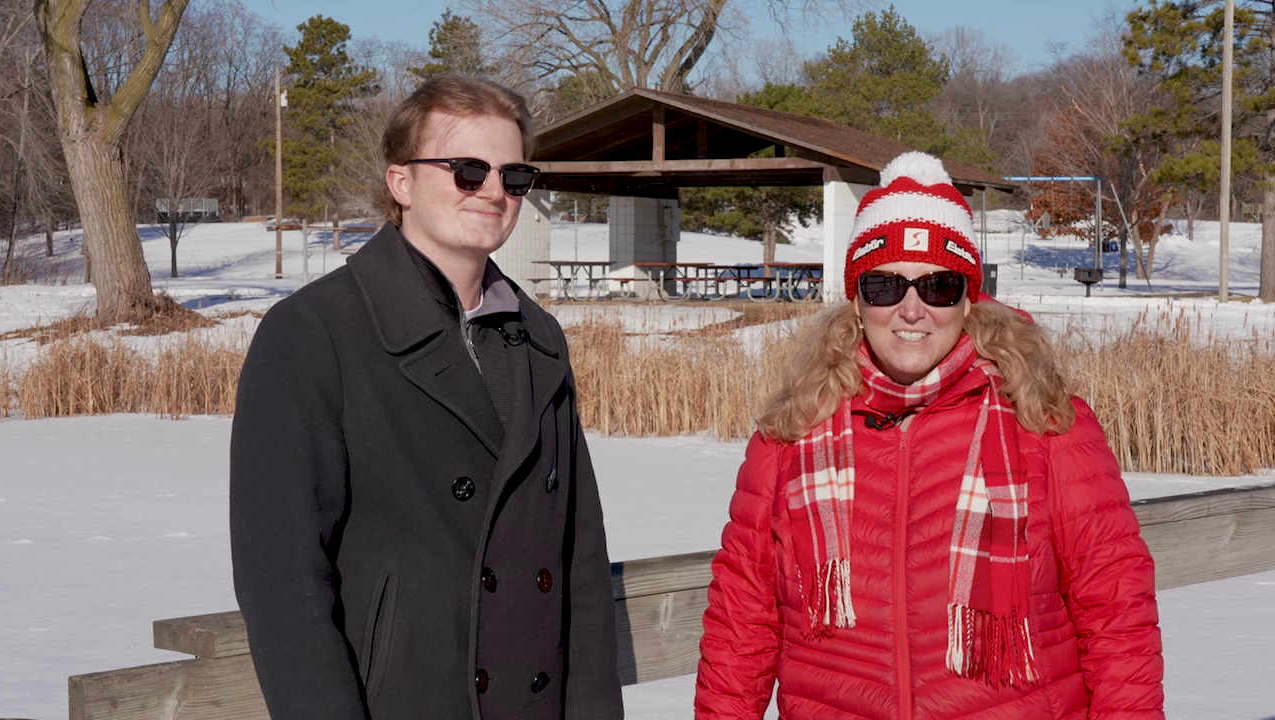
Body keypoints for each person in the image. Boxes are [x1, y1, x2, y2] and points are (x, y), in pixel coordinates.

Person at [694, 152, 1163, 719]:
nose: (911, 310)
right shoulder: (793, 432)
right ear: (857, 300)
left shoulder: (1046, 424)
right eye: (885, 286)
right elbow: (741, 624)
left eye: (938, 286)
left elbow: (1117, 618)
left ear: (968, 300)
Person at [230, 75, 624, 720]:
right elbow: (281, 582)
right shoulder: (313, 334)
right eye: (467, 170)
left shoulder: (541, 338)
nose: (494, 191)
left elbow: (576, 557)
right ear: (401, 183)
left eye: (513, 175)